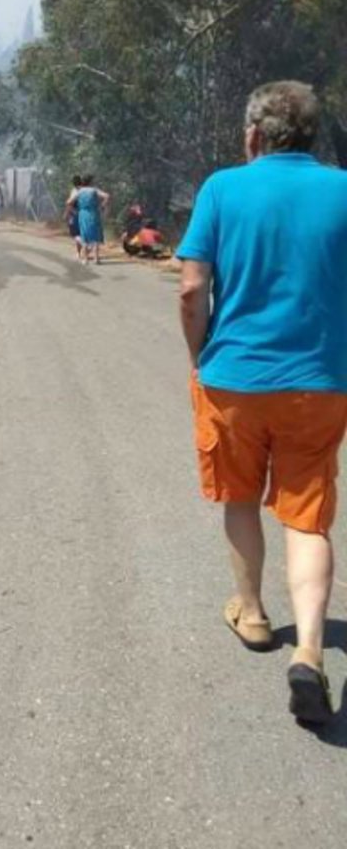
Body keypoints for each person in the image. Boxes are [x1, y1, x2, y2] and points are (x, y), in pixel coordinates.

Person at [177, 81, 347, 725]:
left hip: (234, 379)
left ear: (253, 135)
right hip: (321, 382)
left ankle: (250, 613)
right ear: (311, 136)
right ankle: (308, 651)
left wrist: (199, 355)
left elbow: (192, 288)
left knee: (241, 495)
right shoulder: (344, 190)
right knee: (307, 518)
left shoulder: (223, 188)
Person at [76, 174, 110, 265]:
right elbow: (107, 196)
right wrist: (102, 206)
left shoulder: (79, 191)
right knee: (96, 236)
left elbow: (70, 201)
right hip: (94, 213)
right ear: (90, 182)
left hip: (83, 214)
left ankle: (85, 259)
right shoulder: (94, 190)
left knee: (84, 236)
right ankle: (96, 258)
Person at [65, 174, 84, 259]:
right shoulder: (85, 190)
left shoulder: (75, 191)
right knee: (81, 233)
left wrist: (67, 213)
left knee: (75, 233)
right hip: (85, 213)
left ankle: (79, 252)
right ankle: (79, 252)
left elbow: (70, 204)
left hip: (75, 213)